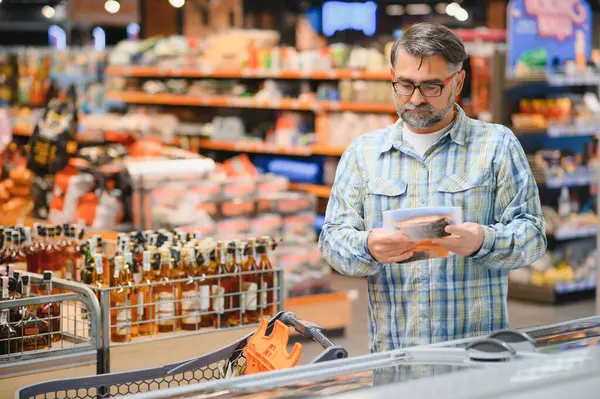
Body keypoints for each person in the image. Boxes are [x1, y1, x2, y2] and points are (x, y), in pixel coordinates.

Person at [318, 22, 547, 353]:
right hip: (396, 360)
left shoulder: (496, 146)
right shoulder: (363, 153)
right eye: (404, 84)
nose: (414, 99)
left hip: (477, 360)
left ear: (458, 83)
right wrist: (367, 246)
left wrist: (484, 241)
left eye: (431, 87)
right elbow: (332, 240)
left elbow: (533, 237)